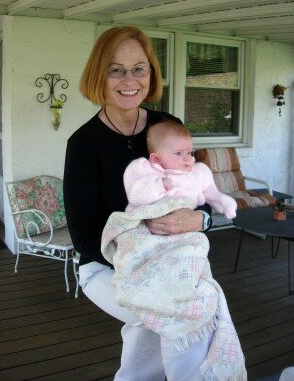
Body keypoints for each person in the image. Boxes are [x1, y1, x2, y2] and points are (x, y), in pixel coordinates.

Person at [63, 25, 215, 381]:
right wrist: (144, 257)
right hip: (107, 266)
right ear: (99, 75)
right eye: (115, 69)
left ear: (151, 73)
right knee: (176, 314)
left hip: (174, 256)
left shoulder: (169, 127)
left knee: (153, 325)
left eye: (139, 68)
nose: (129, 80)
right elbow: (84, 238)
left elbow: (199, 194)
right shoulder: (84, 144)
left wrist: (201, 220)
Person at [124, 119, 237, 218]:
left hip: (182, 228)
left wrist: (226, 204)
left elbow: (211, 193)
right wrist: (158, 185)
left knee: (199, 241)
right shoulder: (145, 169)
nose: (187, 158)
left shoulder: (199, 172)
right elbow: (135, 198)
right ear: (156, 158)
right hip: (145, 224)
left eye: (189, 152)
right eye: (179, 153)